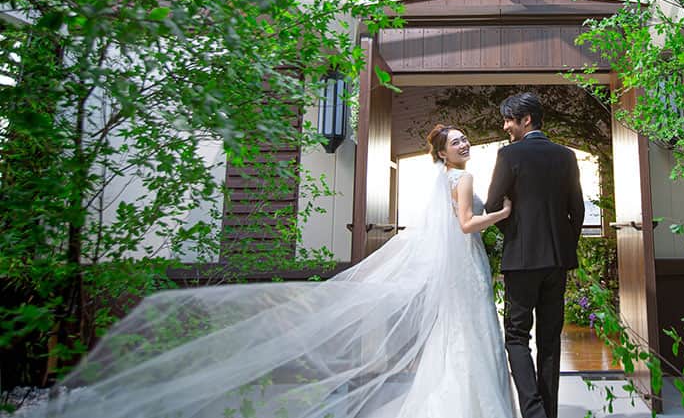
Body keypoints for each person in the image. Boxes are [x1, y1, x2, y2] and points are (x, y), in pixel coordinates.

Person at [26, 125, 515, 418]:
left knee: (458, 333)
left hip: (460, 266)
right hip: (466, 264)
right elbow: (465, 225)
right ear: (442, 152)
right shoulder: (463, 177)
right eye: (456, 141)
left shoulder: (441, 178)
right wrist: (501, 214)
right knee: (468, 332)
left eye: (465, 139)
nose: (464, 144)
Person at [485, 93, 585, 418]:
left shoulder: (509, 154)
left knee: (516, 336)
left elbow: (492, 206)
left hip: (521, 261)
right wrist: (563, 245)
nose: (505, 126)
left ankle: (532, 412)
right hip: (557, 262)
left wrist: (516, 236)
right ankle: (548, 413)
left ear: (526, 119)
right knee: (550, 339)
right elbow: (577, 210)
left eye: (508, 120)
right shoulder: (566, 156)